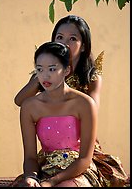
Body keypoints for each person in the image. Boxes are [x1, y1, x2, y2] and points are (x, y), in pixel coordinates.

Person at [10, 42, 128, 187]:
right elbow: (30, 158)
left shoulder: (85, 103)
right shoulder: (30, 107)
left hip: (78, 171)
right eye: (39, 70)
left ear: (67, 70)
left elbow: (84, 159)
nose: (45, 76)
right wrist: (31, 178)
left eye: (52, 69)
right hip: (45, 168)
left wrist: (52, 182)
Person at [14, 15, 103, 110]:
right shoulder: (41, 75)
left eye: (72, 38)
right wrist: (44, 73)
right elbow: (19, 101)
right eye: (60, 37)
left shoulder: (91, 78)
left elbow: (92, 110)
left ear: (83, 46)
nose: (64, 43)